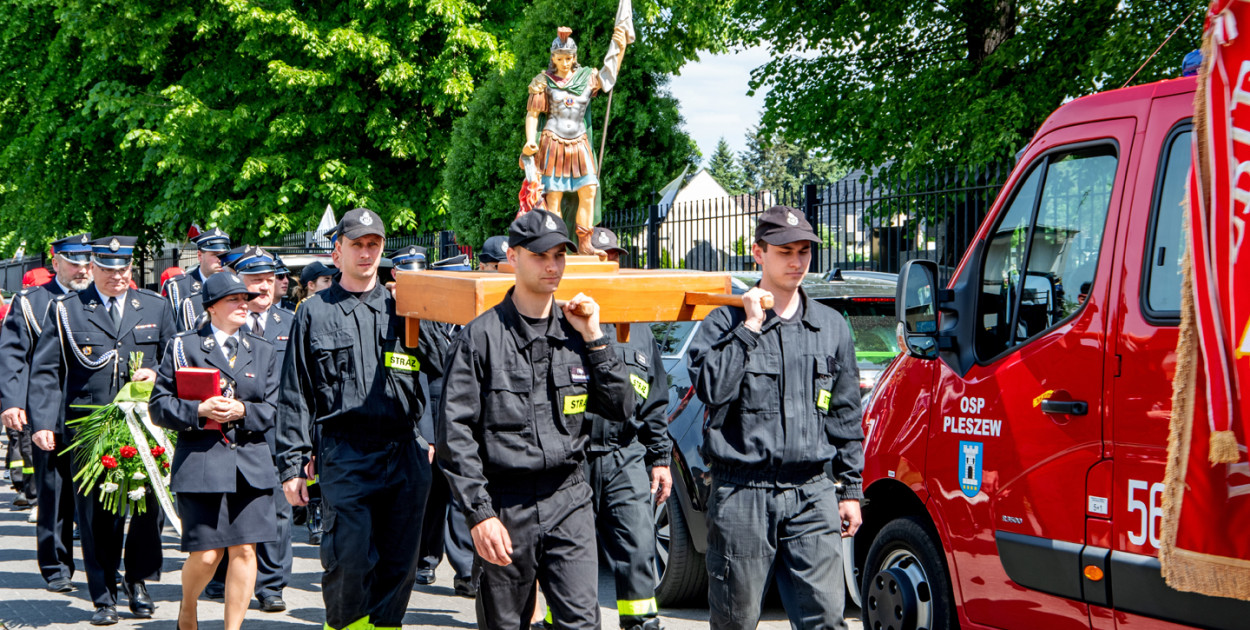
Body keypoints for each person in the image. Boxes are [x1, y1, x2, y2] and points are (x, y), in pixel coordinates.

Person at [438, 208, 635, 630]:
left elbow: (621, 408)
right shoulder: (481, 338)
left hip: (569, 497)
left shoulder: (576, 331)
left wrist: (596, 337)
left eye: (560, 255)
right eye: (540, 255)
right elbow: (456, 436)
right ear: (513, 257)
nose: (553, 265)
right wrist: (479, 515)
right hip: (507, 504)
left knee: (582, 623)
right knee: (506, 625)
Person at [686, 206, 865, 630]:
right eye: (785, 251)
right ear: (758, 253)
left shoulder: (830, 326)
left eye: (804, 251)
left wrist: (850, 488)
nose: (797, 261)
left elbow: (844, 413)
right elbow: (711, 390)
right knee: (736, 620)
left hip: (811, 493)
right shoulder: (724, 322)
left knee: (825, 618)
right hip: (743, 494)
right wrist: (750, 327)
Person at [276, 207, 450, 630]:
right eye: (357, 245)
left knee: (399, 564)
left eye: (374, 245)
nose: (367, 253)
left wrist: (417, 308)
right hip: (346, 452)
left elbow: (445, 365)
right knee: (349, 559)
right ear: (337, 253)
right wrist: (292, 463)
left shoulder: (404, 308)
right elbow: (295, 392)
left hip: (403, 452)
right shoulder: (314, 312)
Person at [28, 236, 175, 625]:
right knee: (96, 516)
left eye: (124, 269)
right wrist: (43, 423)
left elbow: (174, 359)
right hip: (87, 428)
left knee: (148, 509)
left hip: (144, 425)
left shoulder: (156, 308)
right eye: (109, 269)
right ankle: (104, 595)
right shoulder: (68, 310)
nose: (118, 277)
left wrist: (156, 373)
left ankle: (138, 580)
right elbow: (47, 371)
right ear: (92, 268)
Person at [149, 271, 280, 630]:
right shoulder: (185, 346)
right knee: (207, 555)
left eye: (245, 299)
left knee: (245, 550)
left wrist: (244, 411)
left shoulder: (263, 349)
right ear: (212, 307)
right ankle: (187, 610)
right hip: (202, 462)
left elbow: (274, 408)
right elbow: (159, 406)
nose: (243, 305)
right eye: (233, 300)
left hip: (250, 463)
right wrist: (198, 411)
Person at [582, 227, 672, 630]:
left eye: (614, 257)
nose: (608, 264)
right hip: (574, 455)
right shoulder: (563, 318)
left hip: (625, 455)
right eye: (597, 257)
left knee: (638, 548)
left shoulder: (638, 326)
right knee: (574, 558)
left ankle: (641, 625)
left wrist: (660, 458)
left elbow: (655, 399)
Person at [202, 246, 294, 611]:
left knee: (278, 507)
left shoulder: (290, 322)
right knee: (229, 505)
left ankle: (272, 585)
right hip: (229, 432)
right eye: (256, 279)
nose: (265, 287)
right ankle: (224, 577)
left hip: (280, 428)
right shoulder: (214, 325)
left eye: (270, 279)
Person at [0, 234, 92, 589]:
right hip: (48, 411)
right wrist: (12, 402)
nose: (82, 269)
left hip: (90, 410)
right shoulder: (32, 301)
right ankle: (56, 567)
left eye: (87, 262)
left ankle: (103, 567)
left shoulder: (95, 301)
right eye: (74, 262)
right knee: (53, 493)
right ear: (56, 263)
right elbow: (13, 357)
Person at [521, 25, 629, 256]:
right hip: (552, 142)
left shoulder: (587, 77)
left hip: (580, 143)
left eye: (568, 58)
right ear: (553, 58)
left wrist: (619, 47)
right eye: (560, 58)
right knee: (554, 196)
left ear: (574, 57)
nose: (565, 62)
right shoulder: (543, 81)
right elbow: (533, 114)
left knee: (589, 190)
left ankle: (585, 244)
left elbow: (609, 76)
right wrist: (531, 140)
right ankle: (557, 242)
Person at [163, 228, 231, 328]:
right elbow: (169, 330)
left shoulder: (233, 285)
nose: (220, 260)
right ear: (199, 256)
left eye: (224, 255)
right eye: (215, 255)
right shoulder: (178, 287)